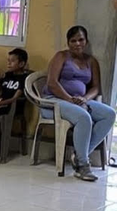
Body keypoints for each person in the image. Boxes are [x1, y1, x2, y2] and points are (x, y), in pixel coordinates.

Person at [43, 25, 116, 181]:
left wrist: (85, 99)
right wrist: (69, 99)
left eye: (81, 40)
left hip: (79, 101)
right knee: (84, 117)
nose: (77, 43)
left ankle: (79, 155)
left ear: (86, 41)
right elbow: (52, 83)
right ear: (68, 43)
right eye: (73, 41)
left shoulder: (91, 61)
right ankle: (82, 165)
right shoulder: (61, 56)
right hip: (54, 100)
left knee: (109, 114)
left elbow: (96, 87)